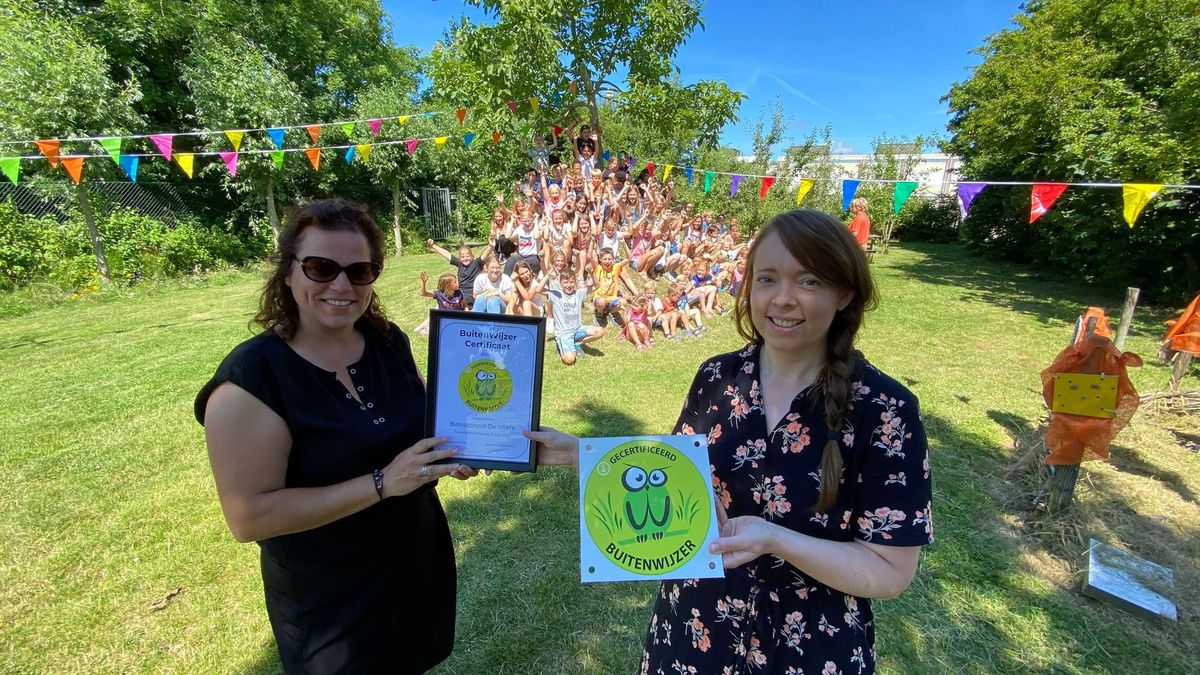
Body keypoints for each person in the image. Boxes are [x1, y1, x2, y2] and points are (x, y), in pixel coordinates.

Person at [525, 209, 933, 674]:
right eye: (767, 279)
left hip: (810, 647)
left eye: (809, 281)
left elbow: (891, 571)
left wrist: (776, 539)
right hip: (694, 629)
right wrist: (583, 455)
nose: (782, 300)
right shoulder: (717, 377)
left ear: (844, 293)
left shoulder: (886, 409)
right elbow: (676, 478)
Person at [195, 199, 479, 674]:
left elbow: (424, 423)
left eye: (359, 270)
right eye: (321, 268)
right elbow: (249, 518)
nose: (341, 285)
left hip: (412, 567)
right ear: (289, 273)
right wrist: (382, 483)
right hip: (329, 600)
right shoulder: (251, 379)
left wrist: (463, 446)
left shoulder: (390, 343)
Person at [543, 268, 603, 365]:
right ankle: (561, 345)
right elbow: (538, 289)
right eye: (566, 282)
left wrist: (592, 273)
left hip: (578, 329)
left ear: (575, 282)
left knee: (599, 331)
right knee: (570, 360)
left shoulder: (579, 293)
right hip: (564, 333)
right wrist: (548, 275)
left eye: (571, 282)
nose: (569, 285)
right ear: (560, 282)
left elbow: (597, 285)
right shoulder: (556, 294)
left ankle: (577, 344)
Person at [426, 239, 489, 309]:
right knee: (443, 298)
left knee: (452, 302)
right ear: (460, 258)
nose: (465, 258)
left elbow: (485, 255)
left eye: (467, 256)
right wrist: (433, 245)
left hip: (471, 294)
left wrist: (491, 246)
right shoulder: (460, 264)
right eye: (463, 257)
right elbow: (447, 254)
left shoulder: (476, 263)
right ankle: (431, 318)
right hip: (459, 292)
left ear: (472, 256)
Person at [413, 270, 464, 335]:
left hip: (457, 319)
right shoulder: (439, 294)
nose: (458, 283)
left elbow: (464, 305)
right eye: (455, 282)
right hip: (444, 320)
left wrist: (467, 313)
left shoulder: (459, 293)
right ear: (448, 285)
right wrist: (423, 282)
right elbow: (423, 294)